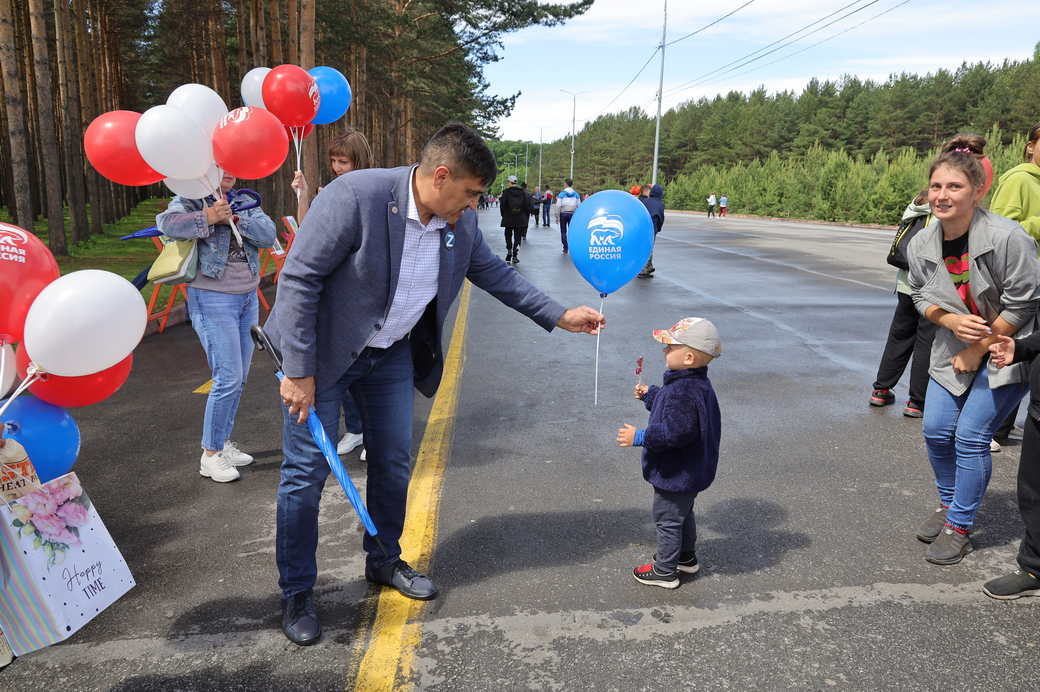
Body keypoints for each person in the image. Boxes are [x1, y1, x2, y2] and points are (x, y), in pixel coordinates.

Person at [263, 123, 606, 645]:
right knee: (305, 475)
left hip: (391, 355)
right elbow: (299, 278)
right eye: (470, 194)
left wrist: (558, 314)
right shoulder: (355, 196)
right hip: (323, 356)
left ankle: (383, 561)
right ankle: (297, 592)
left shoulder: (458, 224)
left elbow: (496, 274)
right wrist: (298, 371)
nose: (473, 207)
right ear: (440, 175)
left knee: (394, 463)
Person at [906, 134, 1040, 565]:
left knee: (970, 436)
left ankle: (961, 525)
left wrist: (979, 346)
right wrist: (947, 320)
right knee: (935, 431)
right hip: (952, 347)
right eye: (936, 187)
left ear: (978, 190)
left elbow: (1025, 301)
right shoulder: (921, 243)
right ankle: (949, 504)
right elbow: (918, 296)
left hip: (1006, 346)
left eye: (955, 187)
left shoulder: (1007, 237)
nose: (942, 196)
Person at [157, 172, 277, 482]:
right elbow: (166, 224)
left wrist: (234, 218)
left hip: (247, 298)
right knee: (228, 377)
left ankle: (222, 443)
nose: (230, 174)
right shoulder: (189, 198)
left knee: (240, 376)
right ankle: (209, 454)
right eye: (221, 168)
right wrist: (208, 217)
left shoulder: (245, 200)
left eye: (234, 168)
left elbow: (268, 235)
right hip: (212, 299)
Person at [616, 317, 722, 589]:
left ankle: (665, 570)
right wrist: (650, 395)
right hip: (691, 470)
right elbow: (673, 411)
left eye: (669, 346)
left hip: (677, 471)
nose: (664, 350)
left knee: (667, 520)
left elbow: (676, 432)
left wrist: (639, 436)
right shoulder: (691, 385)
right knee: (682, 514)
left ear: (688, 357)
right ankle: (685, 557)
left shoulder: (682, 391)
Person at [291, 129, 375, 459]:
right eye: (334, 161)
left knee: (367, 372)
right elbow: (306, 231)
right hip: (332, 291)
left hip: (362, 293)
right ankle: (354, 430)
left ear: (360, 161)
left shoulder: (375, 188)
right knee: (341, 371)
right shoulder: (330, 191)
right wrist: (302, 196)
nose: (338, 167)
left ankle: (371, 434)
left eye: (345, 162)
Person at [869, 192, 936, 418]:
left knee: (899, 336)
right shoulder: (946, 210)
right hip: (930, 287)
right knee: (926, 342)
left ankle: (881, 389)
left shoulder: (916, 205)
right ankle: (916, 402)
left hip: (906, 284)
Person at [637, 184, 665, 279]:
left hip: (641, 227)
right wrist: (658, 229)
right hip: (651, 228)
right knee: (648, 248)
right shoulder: (659, 204)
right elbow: (660, 218)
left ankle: (648, 267)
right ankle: (643, 270)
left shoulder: (645, 201)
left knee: (642, 248)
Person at [500, 175, 528, 264]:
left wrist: (503, 215)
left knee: (507, 234)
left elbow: (502, 205)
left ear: (509, 182)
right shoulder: (522, 192)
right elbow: (526, 205)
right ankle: (515, 254)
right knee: (517, 236)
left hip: (508, 217)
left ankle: (509, 251)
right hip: (519, 218)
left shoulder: (506, 192)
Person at [557, 178, 580, 254]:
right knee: (572, 231)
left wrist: (557, 216)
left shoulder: (562, 194)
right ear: (572, 184)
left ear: (566, 184)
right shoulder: (576, 194)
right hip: (572, 214)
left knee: (563, 231)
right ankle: (573, 247)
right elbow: (579, 206)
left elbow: (558, 206)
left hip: (563, 213)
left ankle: (565, 248)